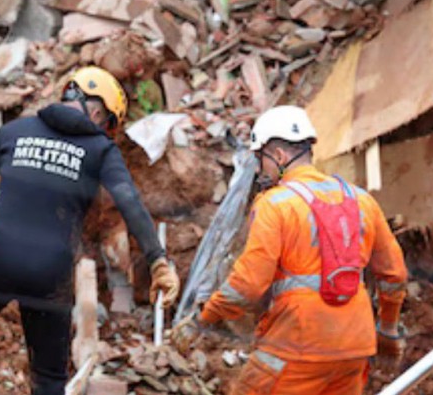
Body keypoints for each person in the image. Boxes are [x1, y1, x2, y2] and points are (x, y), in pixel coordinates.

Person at [0, 66, 181, 395]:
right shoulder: (99, 149)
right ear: (97, 111)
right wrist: (157, 260)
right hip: (49, 275)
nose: (106, 133)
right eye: (109, 125)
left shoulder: (16, 130)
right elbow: (129, 202)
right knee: (48, 378)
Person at [172, 106, 408, 395]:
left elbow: (247, 286)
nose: (260, 169)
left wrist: (203, 319)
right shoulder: (361, 200)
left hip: (296, 345)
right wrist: (388, 330)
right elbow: (394, 275)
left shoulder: (275, 204)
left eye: (261, 159)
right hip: (354, 348)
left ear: (280, 156)